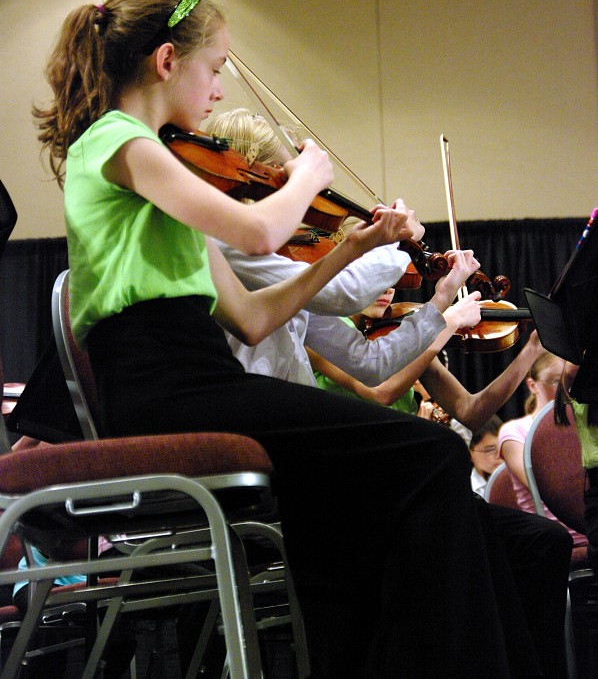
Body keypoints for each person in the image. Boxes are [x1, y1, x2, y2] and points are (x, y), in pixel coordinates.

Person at [34, 0, 532, 678]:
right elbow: (264, 232)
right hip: (163, 391)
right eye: (214, 68)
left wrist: (352, 250)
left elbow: (255, 312)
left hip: (193, 379)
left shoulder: (161, 171)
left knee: (347, 517)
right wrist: (305, 175)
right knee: (430, 454)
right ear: (167, 61)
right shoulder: (119, 141)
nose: (218, 88)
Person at [206, 108, 574, 679]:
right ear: (246, 183)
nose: (300, 211)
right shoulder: (239, 245)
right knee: (438, 480)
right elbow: (349, 292)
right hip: (271, 452)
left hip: (300, 449)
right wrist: (396, 242)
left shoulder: (292, 266)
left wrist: (442, 293)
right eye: (280, 186)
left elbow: (368, 356)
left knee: (526, 543)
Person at [499, 351, 587, 547]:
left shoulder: (583, 422)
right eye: (557, 381)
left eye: (571, 381)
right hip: (556, 535)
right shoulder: (515, 431)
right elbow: (546, 486)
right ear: (532, 385)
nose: (566, 389)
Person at [469, 415, 503, 496]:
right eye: (490, 450)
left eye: (503, 447)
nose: (500, 455)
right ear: (470, 454)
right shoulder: (467, 491)